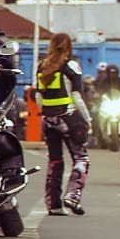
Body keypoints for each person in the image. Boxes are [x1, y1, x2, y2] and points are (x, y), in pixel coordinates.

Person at [36, 33, 91, 216]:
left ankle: (54, 204)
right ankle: (72, 196)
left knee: (55, 161)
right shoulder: (71, 66)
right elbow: (77, 96)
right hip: (68, 118)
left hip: (48, 120)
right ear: (68, 48)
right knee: (81, 158)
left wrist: (47, 113)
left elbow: (37, 96)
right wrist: (87, 119)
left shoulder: (42, 66)